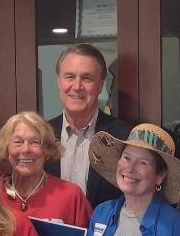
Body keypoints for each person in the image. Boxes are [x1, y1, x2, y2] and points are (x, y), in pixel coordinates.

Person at [44, 44, 132, 209]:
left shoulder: (124, 137)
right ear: (59, 81)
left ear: (100, 85)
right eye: (70, 76)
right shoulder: (40, 135)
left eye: (87, 78)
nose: (77, 86)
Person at [0, 111, 92, 227]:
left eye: (35, 142)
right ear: (6, 149)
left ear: (47, 150)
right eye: (18, 142)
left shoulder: (71, 195)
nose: (26, 149)